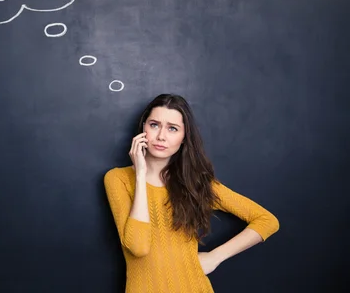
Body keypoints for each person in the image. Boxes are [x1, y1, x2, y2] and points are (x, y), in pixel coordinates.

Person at [104, 93, 279, 293]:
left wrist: (215, 257)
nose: (161, 136)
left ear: (184, 137)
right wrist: (141, 173)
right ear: (143, 128)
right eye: (154, 125)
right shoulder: (118, 179)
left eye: (172, 128)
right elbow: (138, 247)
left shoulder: (195, 184)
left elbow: (267, 220)